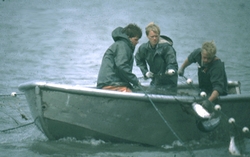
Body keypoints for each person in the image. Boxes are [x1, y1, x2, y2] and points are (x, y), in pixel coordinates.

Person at [178, 41, 228, 111]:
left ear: (213, 56)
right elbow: (189, 59)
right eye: (204, 57)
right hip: (204, 89)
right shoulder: (197, 53)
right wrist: (182, 68)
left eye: (209, 58)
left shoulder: (217, 67)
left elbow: (218, 89)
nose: (206, 60)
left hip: (218, 93)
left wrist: (208, 101)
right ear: (201, 53)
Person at [97, 24, 142, 92]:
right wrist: (135, 81)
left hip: (109, 81)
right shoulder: (123, 46)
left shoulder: (121, 45)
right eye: (135, 39)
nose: (137, 42)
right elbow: (122, 66)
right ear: (128, 37)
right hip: (110, 83)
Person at [135, 22, 178, 94]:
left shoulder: (166, 47)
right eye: (152, 37)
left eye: (156, 36)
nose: (154, 38)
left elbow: (171, 59)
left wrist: (171, 68)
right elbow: (139, 59)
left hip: (169, 82)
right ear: (147, 36)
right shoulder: (144, 48)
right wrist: (145, 72)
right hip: (155, 80)